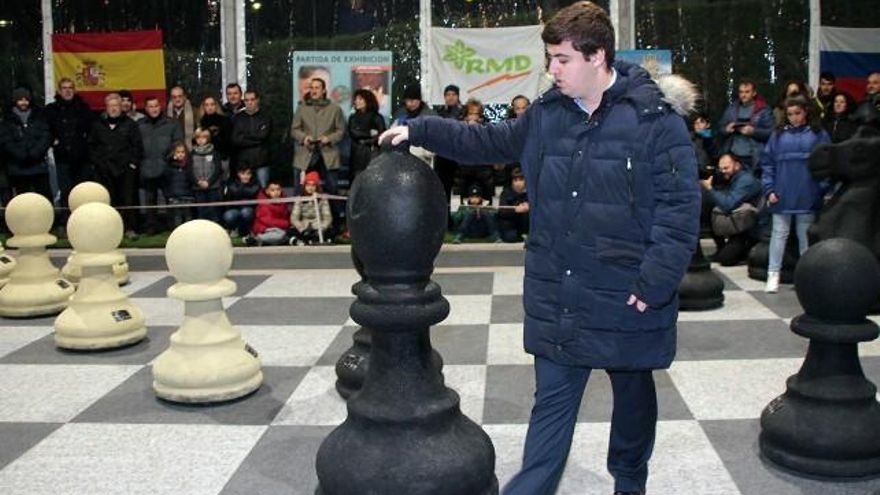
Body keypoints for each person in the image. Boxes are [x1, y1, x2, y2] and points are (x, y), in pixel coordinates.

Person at [380, 3, 700, 494]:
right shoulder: (547, 115)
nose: (551, 70)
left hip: (628, 291)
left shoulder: (656, 121)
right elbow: (484, 141)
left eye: (562, 60)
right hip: (561, 289)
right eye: (549, 58)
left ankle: (630, 482)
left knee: (633, 398)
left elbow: (679, 211)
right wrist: (420, 128)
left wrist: (655, 281)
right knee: (551, 406)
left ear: (598, 57)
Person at [761, 96, 831, 293]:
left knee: (805, 236)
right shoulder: (778, 135)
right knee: (779, 235)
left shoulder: (818, 134)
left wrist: (821, 188)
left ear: (806, 112)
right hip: (781, 193)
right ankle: (772, 274)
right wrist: (769, 190)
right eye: (790, 114)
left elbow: (827, 163)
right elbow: (768, 164)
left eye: (797, 113)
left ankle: (806, 277)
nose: (793, 117)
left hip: (807, 194)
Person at [88, 93, 143, 238]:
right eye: (110, 106)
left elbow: (137, 146)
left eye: (116, 105)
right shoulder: (97, 125)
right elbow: (92, 147)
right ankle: (110, 231)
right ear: (106, 107)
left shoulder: (130, 124)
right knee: (108, 200)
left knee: (128, 200)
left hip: (125, 170)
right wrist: (98, 164)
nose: (113, 109)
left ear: (121, 107)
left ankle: (130, 229)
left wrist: (132, 164)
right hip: (104, 170)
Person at [700, 154, 761, 266]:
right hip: (740, 222)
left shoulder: (745, 181)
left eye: (726, 168)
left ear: (737, 166)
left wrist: (709, 188)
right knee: (709, 207)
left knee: (726, 260)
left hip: (750, 228)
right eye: (721, 168)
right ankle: (723, 248)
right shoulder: (733, 178)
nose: (723, 171)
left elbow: (728, 204)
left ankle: (747, 250)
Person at [44, 78, 94, 214]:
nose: (67, 91)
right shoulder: (51, 110)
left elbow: (92, 131)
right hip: (62, 158)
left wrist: (85, 144)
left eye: (70, 87)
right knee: (65, 191)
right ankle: (65, 222)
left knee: (82, 192)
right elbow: (45, 130)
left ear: (74, 90)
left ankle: (84, 219)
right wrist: (52, 141)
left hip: (82, 158)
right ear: (59, 91)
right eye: (64, 88)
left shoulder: (83, 108)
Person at [138, 95, 183, 234]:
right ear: (146, 108)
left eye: (156, 106)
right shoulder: (139, 125)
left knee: (170, 199)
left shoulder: (172, 124)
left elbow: (178, 143)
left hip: (167, 168)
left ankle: (172, 227)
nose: (154, 109)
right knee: (150, 200)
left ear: (160, 106)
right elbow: (134, 145)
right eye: (150, 106)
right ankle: (151, 227)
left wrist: (168, 160)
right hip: (147, 168)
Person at [291, 78, 346, 191]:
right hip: (305, 153)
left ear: (324, 91)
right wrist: (304, 138)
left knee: (332, 189)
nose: (314, 90)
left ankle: (332, 208)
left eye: (317, 88)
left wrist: (329, 138)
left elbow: (341, 131)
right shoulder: (301, 108)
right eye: (311, 88)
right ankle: (300, 209)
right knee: (300, 189)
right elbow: (294, 129)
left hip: (328, 153)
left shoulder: (335, 109)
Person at [2, 87, 53, 202]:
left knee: (44, 200)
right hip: (17, 169)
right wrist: (21, 155)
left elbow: (45, 137)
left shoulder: (39, 117)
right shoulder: (7, 120)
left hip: (39, 167)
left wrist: (35, 154)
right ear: (15, 101)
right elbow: (6, 141)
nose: (24, 102)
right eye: (20, 99)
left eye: (26, 99)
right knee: (23, 202)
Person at [719, 78, 774, 171]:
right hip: (733, 155)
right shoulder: (732, 108)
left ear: (754, 93)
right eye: (741, 92)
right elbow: (720, 128)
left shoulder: (763, 110)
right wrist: (726, 129)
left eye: (747, 92)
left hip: (753, 157)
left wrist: (753, 131)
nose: (743, 95)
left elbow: (772, 133)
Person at [231, 89, 272, 187]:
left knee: (263, 190)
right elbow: (236, 139)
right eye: (246, 100)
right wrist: (256, 138)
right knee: (244, 193)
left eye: (252, 99)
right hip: (243, 162)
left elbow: (263, 136)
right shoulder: (238, 118)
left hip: (261, 161)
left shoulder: (266, 117)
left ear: (258, 100)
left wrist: (245, 136)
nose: (249, 102)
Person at [434, 84, 464, 218]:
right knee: (442, 189)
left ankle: (464, 218)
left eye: (453, 94)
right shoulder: (440, 112)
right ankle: (445, 218)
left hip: (459, 155)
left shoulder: (463, 112)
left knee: (461, 187)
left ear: (458, 96)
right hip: (443, 155)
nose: (450, 97)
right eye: (448, 95)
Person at [457, 100, 495, 202]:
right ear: (466, 115)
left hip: (484, 170)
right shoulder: (458, 127)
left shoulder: (487, 128)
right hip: (464, 170)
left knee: (486, 204)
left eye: (476, 114)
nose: (473, 117)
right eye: (470, 113)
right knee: (465, 204)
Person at [347, 89, 385, 183]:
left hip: (372, 152)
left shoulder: (377, 117)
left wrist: (367, 140)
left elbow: (381, 135)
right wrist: (370, 134)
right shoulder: (353, 117)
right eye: (356, 99)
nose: (356, 102)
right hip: (357, 153)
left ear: (368, 100)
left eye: (360, 99)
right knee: (356, 179)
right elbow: (353, 133)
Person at [391, 84, 436, 166]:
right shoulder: (399, 114)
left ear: (419, 100)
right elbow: (391, 133)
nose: (409, 104)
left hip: (423, 161)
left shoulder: (430, 116)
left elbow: (435, 141)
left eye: (412, 100)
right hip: (401, 160)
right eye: (407, 100)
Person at [289, 171, 332, 245]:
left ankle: (314, 239)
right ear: (304, 186)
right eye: (308, 185)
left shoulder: (323, 198)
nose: (310, 188)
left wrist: (322, 228)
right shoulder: (300, 198)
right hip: (304, 226)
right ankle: (305, 239)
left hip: (318, 225)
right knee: (291, 231)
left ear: (317, 187)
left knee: (331, 231)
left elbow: (327, 217)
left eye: (313, 185)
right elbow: (294, 217)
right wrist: (301, 228)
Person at [191, 127, 223, 223]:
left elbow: (217, 169)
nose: (201, 140)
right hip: (198, 187)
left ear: (208, 138)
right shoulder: (192, 153)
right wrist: (198, 182)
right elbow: (189, 171)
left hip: (213, 187)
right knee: (201, 211)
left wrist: (209, 182)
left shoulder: (215, 153)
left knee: (214, 211)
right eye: (198, 137)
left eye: (204, 137)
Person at [247, 178, 290, 246]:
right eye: (272, 190)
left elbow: (286, 216)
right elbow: (268, 221)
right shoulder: (263, 203)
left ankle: (262, 241)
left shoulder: (283, 202)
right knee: (281, 235)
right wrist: (286, 223)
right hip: (264, 229)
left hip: (277, 228)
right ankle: (255, 239)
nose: (276, 192)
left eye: (278, 189)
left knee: (283, 235)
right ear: (267, 191)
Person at [197, 95, 232, 179]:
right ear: (203, 107)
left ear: (216, 106)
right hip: (206, 158)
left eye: (212, 104)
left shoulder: (225, 120)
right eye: (207, 105)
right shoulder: (200, 123)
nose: (210, 107)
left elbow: (228, 140)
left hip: (222, 157)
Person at [163, 141, 194, 230]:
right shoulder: (169, 166)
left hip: (187, 195)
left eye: (182, 152)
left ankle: (189, 232)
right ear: (174, 153)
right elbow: (166, 178)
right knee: (177, 217)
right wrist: (170, 160)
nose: (180, 154)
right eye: (178, 152)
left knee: (188, 216)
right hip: (174, 196)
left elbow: (191, 179)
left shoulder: (189, 165)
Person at [223, 165, 260, 238]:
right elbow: (231, 195)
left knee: (246, 212)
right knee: (229, 215)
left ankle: (246, 231)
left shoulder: (256, 183)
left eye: (248, 174)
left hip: (250, 209)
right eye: (243, 174)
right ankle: (234, 229)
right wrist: (242, 186)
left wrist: (241, 187)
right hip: (234, 209)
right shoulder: (232, 183)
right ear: (238, 174)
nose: (245, 176)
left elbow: (251, 193)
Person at [496, 167, 529, 243]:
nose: (518, 183)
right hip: (510, 224)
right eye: (515, 180)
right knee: (511, 237)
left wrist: (529, 207)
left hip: (525, 224)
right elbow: (502, 211)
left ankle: (526, 234)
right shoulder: (505, 193)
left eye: (521, 180)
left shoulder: (530, 193)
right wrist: (515, 210)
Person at [167, 85, 196, 149]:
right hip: (172, 150)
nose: (177, 99)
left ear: (185, 97)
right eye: (174, 97)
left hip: (190, 148)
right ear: (171, 99)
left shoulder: (194, 112)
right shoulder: (165, 114)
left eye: (180, 96)